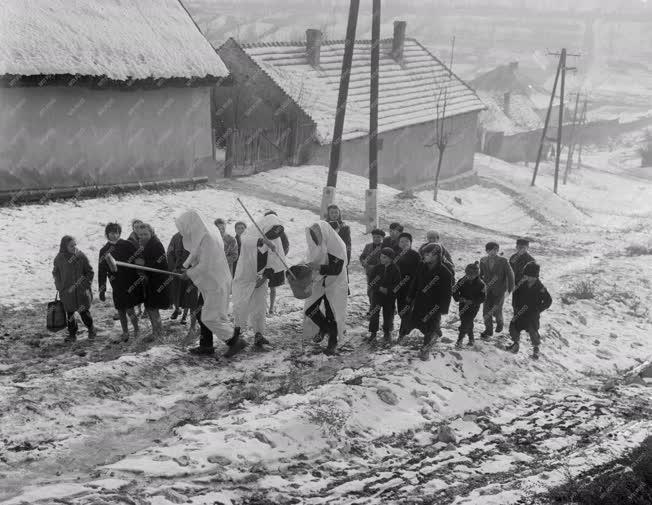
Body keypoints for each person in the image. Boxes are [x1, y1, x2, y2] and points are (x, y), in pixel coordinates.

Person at [175, 210, 235, 357]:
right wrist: (186, 265)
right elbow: (196, 251)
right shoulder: (206, 233)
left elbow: (206, 265)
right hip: (211, 283)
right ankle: (206, 346)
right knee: (202, 313)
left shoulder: (207, 237)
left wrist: (188, 273)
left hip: (215, 283)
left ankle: (235, 340)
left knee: (210, 317)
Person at [232, 213, 287, 351]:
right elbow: (245, 240)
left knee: (260, 306)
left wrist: (264, 277)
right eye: (270, 234)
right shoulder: (250, 232)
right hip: (245, 275)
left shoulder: (276, 240)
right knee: (241, 304)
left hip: (261, 276)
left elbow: (275, 260)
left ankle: (258, 335)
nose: (273, 238)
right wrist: (262, 241)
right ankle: (236, 336)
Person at [304, 221, 349, 355]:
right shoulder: (318, 246)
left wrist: (318, 267)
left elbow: (336, 269)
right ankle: (325, 328)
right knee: (310, 309)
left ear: (323, 233)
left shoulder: (338, 246)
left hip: (335, 283)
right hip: (319, 281)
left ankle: (333, 341)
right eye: (312, 235)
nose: (314, 238)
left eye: (316, 235)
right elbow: (311, 259)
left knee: (332, 313)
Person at [405, 243, 453, 361]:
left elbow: (446, 293)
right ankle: (436, 332)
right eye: (424, 254)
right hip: (420, 300)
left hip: (434, 305)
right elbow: (415, 282)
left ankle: (426, 350)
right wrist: (410, 296)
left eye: (427, 254)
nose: (424, 257)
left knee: (431, 326)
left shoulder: (445, 273)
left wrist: (443, 309)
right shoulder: (422, 266)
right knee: (417, 322)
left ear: (436, 256)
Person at [98, 223, 141, 341]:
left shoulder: (127, 245)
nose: (115, 235)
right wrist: (102, 289)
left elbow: (139, 258)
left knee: (130, 308)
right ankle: (125, 332)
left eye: (117, 232)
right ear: (107, 234)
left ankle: (137, 329)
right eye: (112, 233)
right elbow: (102, 271)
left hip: (129, 282)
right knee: (120, 309)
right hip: (116, 284)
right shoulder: (104, 251)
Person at [53, 236, 96, 342]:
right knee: (70, 314)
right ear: (64, 246)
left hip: (81, 292)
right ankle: (72, 334)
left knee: (84, 312)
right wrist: (59, 286)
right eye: (71, 246)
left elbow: (90, 272)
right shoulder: (59, 258)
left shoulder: (81, 256)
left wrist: (85, 284)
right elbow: (56, 273)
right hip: (67, 292)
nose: (74, 247)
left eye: (75, 245)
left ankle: (91, 329)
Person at [507, 262, 552, 360]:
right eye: (526, 275)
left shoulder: (541, 287)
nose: (527, 277)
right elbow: (515, 294)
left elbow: (548, 301)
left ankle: (536, 349)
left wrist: (538, 309)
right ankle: (515, 344)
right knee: (513, 327)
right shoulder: (521, 283)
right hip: (519, 312)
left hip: (532, 315)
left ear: (535, 276)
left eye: (529, 276)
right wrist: (515, 306)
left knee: (533, 332)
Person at [135, 223, 171, 340]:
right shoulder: (146, 243)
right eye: (140, 235)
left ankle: (158, 333)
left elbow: (160, 264)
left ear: (151, 232)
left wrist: (143, 263)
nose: (143, 236)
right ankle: (157, 332)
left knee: (152, 307)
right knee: (150, 307)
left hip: (158, 282)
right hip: (151, 281)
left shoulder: (156, 244)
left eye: (145, 234)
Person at [366, 247, 401, 346]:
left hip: (389, 297)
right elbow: (371, 281)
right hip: (377, 295)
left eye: (385, 257)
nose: (382, 259)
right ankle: (373, 333)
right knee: (374, 313)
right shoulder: (377, 268)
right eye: (381, 257)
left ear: (390, 258)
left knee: (388, 314)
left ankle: (387, 332)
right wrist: (379, 288)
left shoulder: (395, 269)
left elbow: (397, 284)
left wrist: (389, 290)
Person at [479, 242, 515, 339]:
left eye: (495, 250)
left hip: (499, 291)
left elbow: (510, 275)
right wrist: (479, 286)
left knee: (496, 310)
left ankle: (500, 322)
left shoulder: (503, 261)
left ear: (497, 251)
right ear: (486, 251)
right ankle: (488, 330)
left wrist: (510, 289)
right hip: (487, 290)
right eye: (490, 250)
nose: (493, 252)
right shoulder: (482, 260)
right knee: (486, 312)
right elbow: (480, 275)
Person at [167, 231, 199, 331]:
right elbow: (170, 253)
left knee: (192, 300)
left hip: (193, 274)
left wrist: (193, 270)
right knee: (178, 295)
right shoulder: (176, 237)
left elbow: (200, 256)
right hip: (178, 273)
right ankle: (178, 310)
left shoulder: (197, 236)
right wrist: (173, 268)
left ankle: (191, 323)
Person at [394, 232, 423, 342]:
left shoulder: (415, 255)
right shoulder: (395, 254)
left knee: (406, 310)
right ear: (398, 243)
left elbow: (419, 273)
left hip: (410, 289)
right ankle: (408, 329)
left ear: (411, 243)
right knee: (401, 310)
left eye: (407, 241)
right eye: (402, 241)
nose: (404, 243)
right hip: (397, 288)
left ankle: (402, 334)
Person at [452, 262, 486, 348]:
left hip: (473, 307)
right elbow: (454, 290)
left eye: (472, 275)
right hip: (462, 305)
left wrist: (472, 301)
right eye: (468, 275)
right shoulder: (462, 280)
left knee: (466, 322)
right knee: (466, 321)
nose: (469, 277)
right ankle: (471, 338)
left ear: (476, 275)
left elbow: (482, 297)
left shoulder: (481, 284)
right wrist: (459, 298)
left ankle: (459, 340)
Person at [264, 210, 290, 315]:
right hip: (265, 264)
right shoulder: (263, 231)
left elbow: (286, 246)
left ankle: (271, 307)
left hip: (275, 263)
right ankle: (263, 307)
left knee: (272, 287)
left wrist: (280, 255)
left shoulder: (281, 233)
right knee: (262, 287)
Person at [359, 228, 385, 305]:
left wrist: (371, 266)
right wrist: (363, 262)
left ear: (382, 238)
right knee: (370, 292)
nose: (376, 239)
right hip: (369, 274)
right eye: (374, 237)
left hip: (380, 275)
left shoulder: (384, 247)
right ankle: (372, 307)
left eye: (378, 237)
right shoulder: (368, 246)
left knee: (378, 292)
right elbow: (362, 256)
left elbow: (384, 261)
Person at [128, 219, 144, 317]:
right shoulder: (130, 240)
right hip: (135, 268)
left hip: (146, 268)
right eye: (136, 227)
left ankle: (146, 309)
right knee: (138, 289)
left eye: (140, 226)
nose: (138, 229)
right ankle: (139, 309)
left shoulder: (147, 236)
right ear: (133, 228)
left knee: (147, 289)